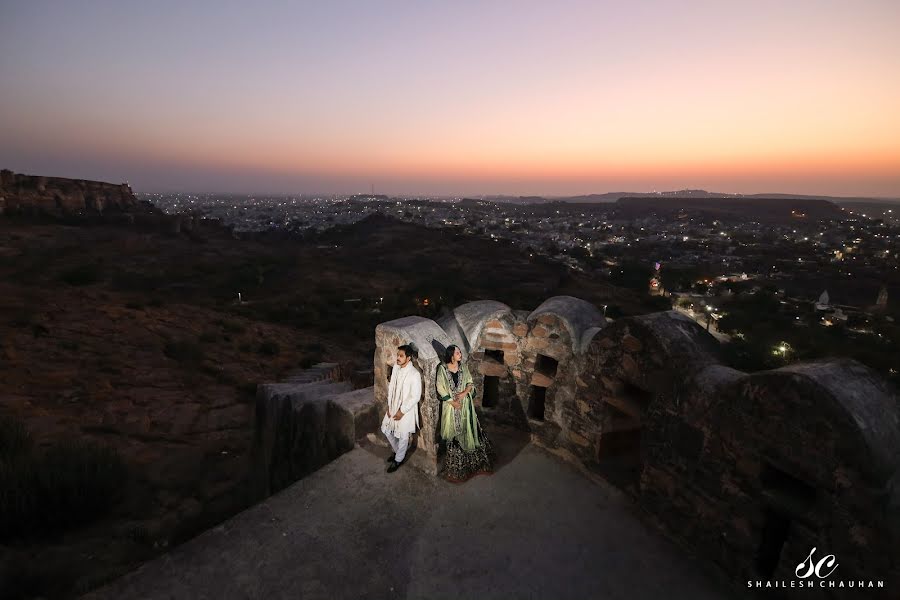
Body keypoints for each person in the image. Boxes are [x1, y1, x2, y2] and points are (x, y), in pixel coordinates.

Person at [436, 345, 494, 482]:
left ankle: (473, 465)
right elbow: (440, 388)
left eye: (460, 352)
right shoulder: (442, 369)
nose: (460, 354)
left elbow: (470, 383)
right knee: (454, 434)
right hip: (451, 408)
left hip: (465, 406)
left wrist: (463, 393)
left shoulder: (463, 367)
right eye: (457, 352)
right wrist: (452, 402)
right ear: (451, 355)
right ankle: (456, 470)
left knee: (467, 429)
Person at [382, 344, 422, 473]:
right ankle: (398, 451)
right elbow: (391, 388)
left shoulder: (414, 374)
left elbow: (415, 396)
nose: (398, 358)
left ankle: (398, 459)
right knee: (386, 429)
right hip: (393, 407)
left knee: (404, 437)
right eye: (397, 355)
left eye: (401, 356)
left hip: (406, 411)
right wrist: (390, 405)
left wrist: (402, 411)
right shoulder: (396, 369)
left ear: (408, 358)